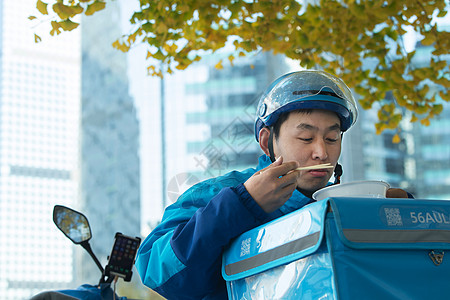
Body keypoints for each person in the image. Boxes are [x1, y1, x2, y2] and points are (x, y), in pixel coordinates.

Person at [135, 70, 409, 300]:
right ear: (267, 141)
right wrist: (243, 204)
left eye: (332, 138)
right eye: (305, 138)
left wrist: (397, 222)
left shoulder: (346, 204)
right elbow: (157, 271)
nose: (321, 153)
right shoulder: (219, 194)